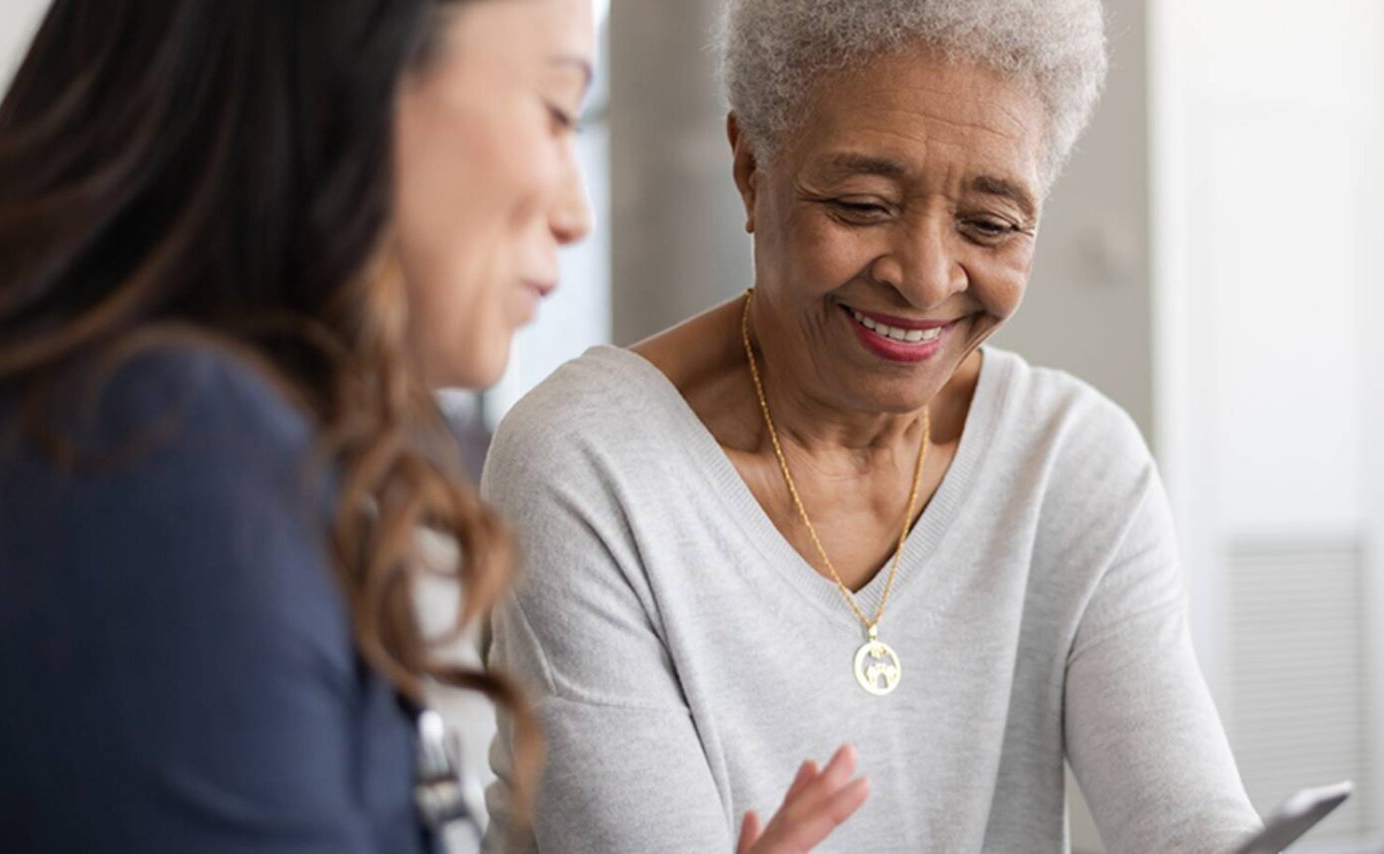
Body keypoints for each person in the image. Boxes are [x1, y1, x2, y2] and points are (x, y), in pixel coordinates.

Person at [0, 1, 856, 850]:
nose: (576, 212)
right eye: (556, 109)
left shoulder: (176, 445)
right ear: (357, 76)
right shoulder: (156, 460)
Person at [479, 0, 1267, 850]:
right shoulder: (591, 466)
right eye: (861, 206)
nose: (927, 280)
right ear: (751, 168)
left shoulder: (1073, 466)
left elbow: (1191, 827)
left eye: (990, 224)